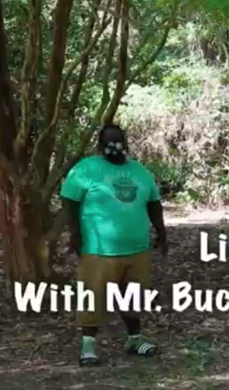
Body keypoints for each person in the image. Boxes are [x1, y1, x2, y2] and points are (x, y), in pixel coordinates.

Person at [60, 123, 168, 367]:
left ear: (126, 143)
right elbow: (70, 201)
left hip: (137, 247)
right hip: (99, 249)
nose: (115, 146)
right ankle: (88, 346)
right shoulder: (86, 169)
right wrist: (75, 234)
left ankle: (134, 339)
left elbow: (153, 202)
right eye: (109, 142)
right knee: (93, 295)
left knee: (133, 296)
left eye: (119, 141)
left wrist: (161, 232)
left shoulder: (139, 171)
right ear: (100, 145)